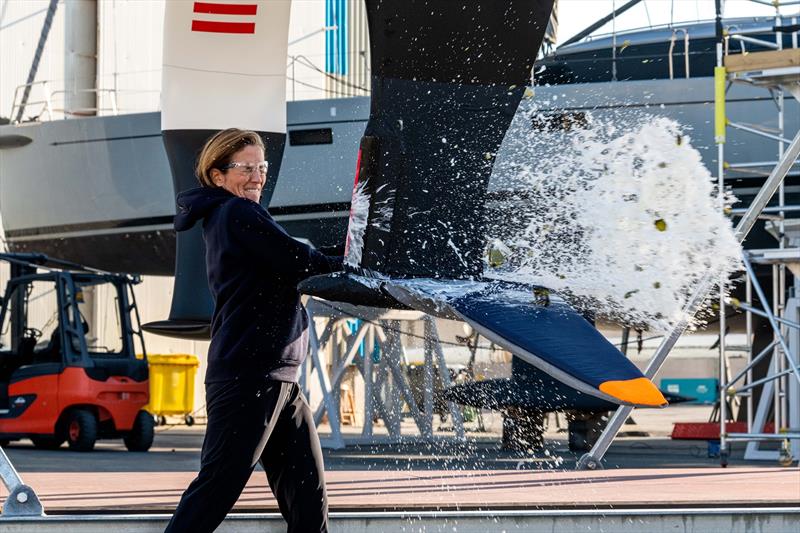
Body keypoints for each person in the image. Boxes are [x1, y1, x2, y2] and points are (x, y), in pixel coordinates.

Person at [165, 128, 342, 533]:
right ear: (217, 175)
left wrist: (341, 260)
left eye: (261, 167)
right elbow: (300, 260)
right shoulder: (237, 213)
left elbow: (296, 260)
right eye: (245, 168)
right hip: (251, 376)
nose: (257, 177)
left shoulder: (231, 216)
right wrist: (359, 265)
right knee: (217, 488)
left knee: (308, 503)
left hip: (278, 379)